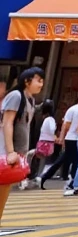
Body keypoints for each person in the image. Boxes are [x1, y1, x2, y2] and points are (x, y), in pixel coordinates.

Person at [1, 68, 44, 224]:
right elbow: (7, 123)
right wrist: (10, 151)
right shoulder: (16, 96)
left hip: (14, 154)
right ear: (27, 81)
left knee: (4, 193)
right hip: (4, 153)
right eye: (38, 80)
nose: (41, 84)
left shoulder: (30, 99)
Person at [38, 89, 78, 191]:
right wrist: (62, 138)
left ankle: (46, 177)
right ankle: (71, 183)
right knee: (75, 161)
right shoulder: (73, 109)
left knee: (64, 161)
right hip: (71, 139)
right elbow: (65, 125)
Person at [26, 100, 56, 185]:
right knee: (40, 158)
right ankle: (38, 175)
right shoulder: (50, 119)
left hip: (43, 142)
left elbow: (50, 130)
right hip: (46, 143)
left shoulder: (47, 119)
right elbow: (51, 130)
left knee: (35, 157)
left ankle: (35, 175)